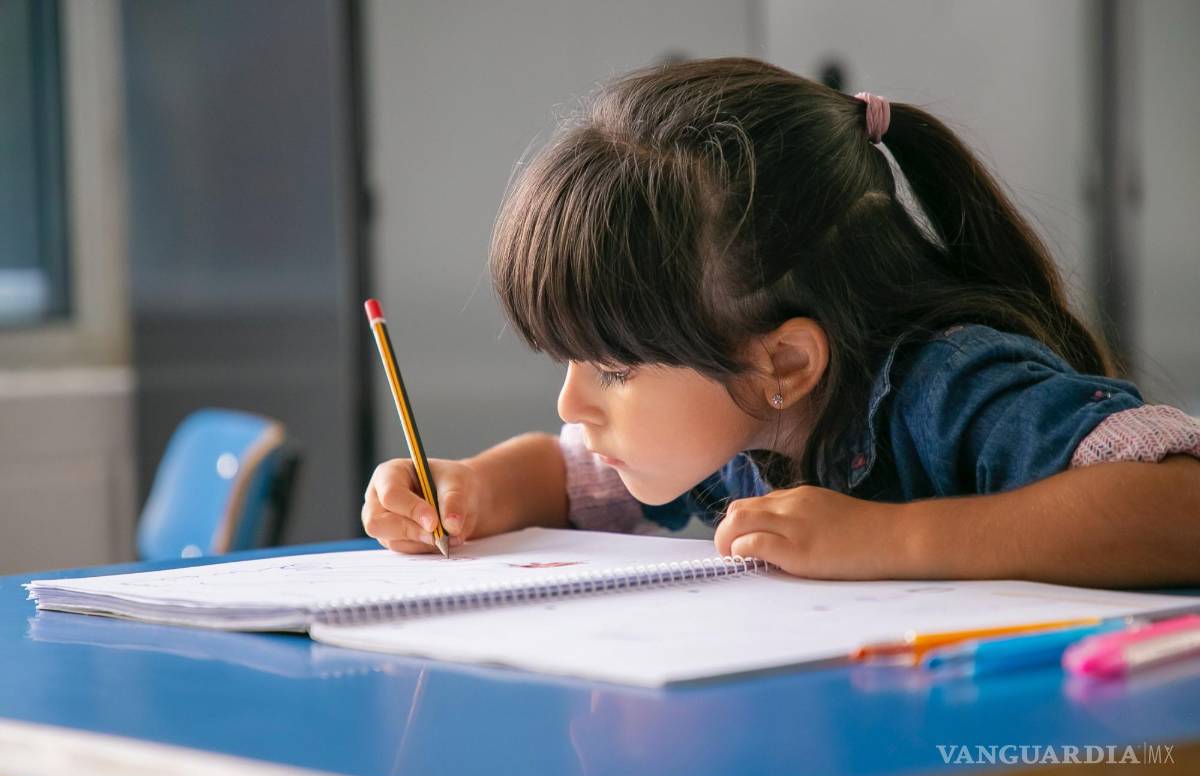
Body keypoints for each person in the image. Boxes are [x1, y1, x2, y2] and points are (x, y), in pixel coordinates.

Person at [363, 58, 1199, 587]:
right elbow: (571, 475)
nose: (571, 405)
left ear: (784, 363)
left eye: (614, 369)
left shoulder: (951, 387)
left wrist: (896, 541)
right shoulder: (736, 423)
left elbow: (1180, 508)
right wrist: (471, 489)